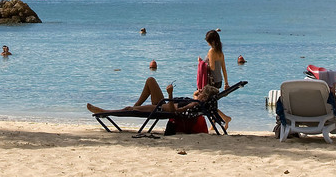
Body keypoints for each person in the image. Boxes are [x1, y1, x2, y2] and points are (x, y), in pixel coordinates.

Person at [86, 77, 221, 118]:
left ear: (205, 97)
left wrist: (170, 94)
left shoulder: (194, 104)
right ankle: (134, 106)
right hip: (163, 104)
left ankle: (103, 112)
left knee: (130, 109)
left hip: (163, 107)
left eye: (202, 91)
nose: (199, 90)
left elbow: (174, 111)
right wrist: (196, 96)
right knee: (150, 80)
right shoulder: (197, 101)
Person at [199, 30, 232, 126]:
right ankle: (214, 124)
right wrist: (226, 83)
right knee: (212, 103)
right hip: (219, 81)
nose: (207, 43)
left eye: (208, 41)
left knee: (205, 103)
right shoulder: (220, 52)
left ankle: (225, 118)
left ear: (212, 41)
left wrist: (202, 63)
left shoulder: (211, 51)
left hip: (211, 82)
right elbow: (224, 69)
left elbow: (212, 67)